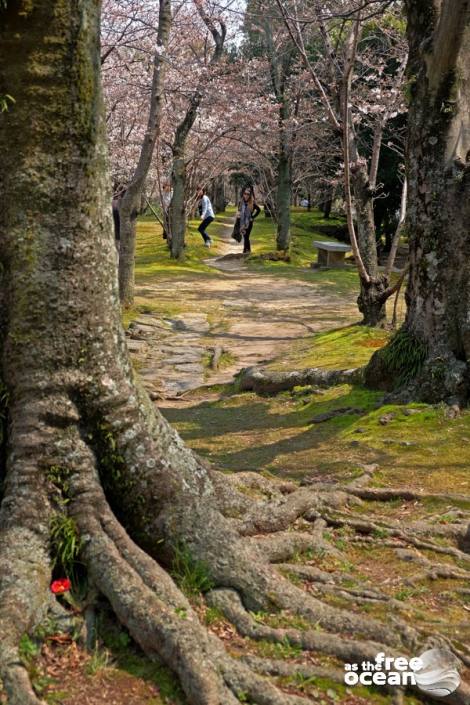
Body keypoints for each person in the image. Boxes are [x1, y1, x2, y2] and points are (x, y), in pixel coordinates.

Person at [237, 185, 261, 254]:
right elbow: (239, 211)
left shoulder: (252, 203)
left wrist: (253, 217)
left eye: (248, 194)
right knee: (245, 237)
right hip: (242, 222)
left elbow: (259, 210)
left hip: (249, 223)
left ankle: (245, 251)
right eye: (245, 194)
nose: (246, 195)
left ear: (250, 195)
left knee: (246, 236)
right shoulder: (241, 202)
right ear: (243, 194)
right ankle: (247, 251)